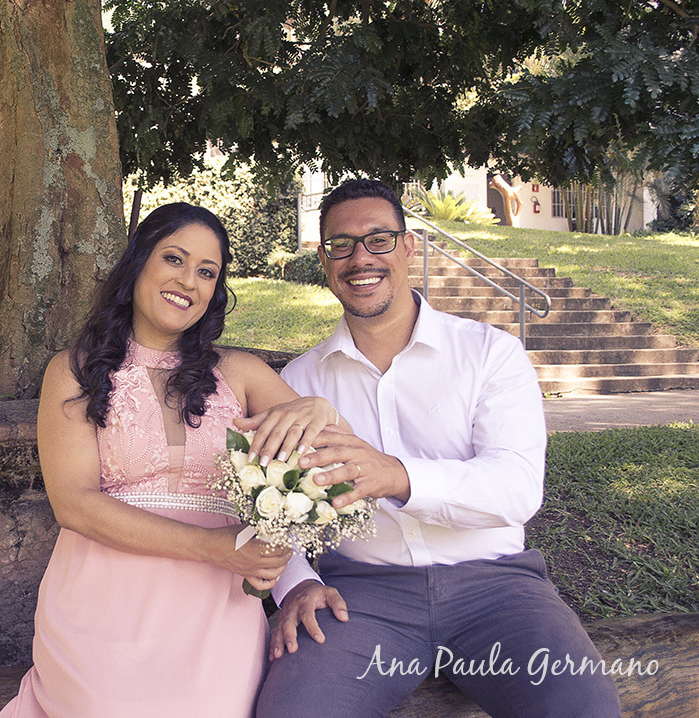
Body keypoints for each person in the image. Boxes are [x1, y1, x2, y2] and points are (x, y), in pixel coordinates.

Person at [250, 179, 622, 717]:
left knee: (583, 710)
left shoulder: (489, 353)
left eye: (379, 239)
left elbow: (517, 489)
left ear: (409, 248)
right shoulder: (300, 379)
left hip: (497, 588)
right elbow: (270, 508)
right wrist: (298, 583)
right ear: (324, 260)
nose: (360, 258)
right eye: (341, 244)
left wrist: (398, 476)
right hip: (360, 597)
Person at [0, 203, 343, 718]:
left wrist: (320, 410)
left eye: (207, 272)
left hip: (215, 610)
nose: (189, 281)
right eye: (174, 259)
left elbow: (340, 464)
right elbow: (73, 505)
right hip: (103, 604)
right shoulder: (74, 371)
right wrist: (213, 547)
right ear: (139, 263)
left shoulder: (241, 373)